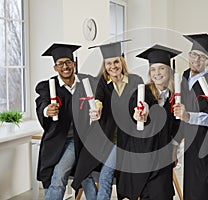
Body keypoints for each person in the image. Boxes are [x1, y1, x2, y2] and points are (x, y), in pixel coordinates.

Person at [71, 40, 144, 200]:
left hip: (125, 139)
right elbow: (98, 100)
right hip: (104, 135)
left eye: (116, 61)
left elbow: (140, 103)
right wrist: (96, 110)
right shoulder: (102, 83)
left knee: (105, 174)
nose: (113, 66)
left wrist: (140, 112)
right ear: (104, 65)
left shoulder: (135, 81)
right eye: (108, 63)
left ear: (122, 61)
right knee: (82, 169)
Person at [116, 44, 181, 200]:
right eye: (153, 69)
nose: (157, 73)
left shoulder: (174, 98)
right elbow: (138, 108)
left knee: (163, 194)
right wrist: (140, 115)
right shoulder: (141, 93)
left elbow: (177, 129)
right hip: (140, 156)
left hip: (162, 159)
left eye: (161, 68)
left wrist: (174, 151)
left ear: (169, 71)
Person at [35, 43, 97, 200]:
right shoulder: (48, 87)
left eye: (68, 62)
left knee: (59, 174)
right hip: (55, 141)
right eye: (60, 64)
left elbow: (105, 91)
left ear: (74, 64)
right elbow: (42, 102)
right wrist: (46, 110)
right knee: (85, 175)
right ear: (55, 68)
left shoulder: (86, 83)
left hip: (78, 140)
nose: (65, 67)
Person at [173, 33, 208, 200]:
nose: (196, 60)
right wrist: (175, 143)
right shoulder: (183, 77)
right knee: (193, 186)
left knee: (207, 188)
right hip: (192, 143)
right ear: (189, 55)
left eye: (202, 57)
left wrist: (188, 115)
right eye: (194, 55)